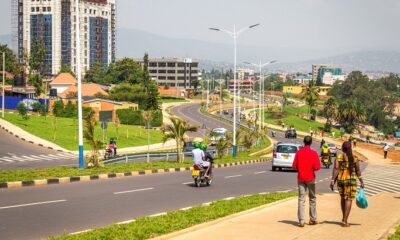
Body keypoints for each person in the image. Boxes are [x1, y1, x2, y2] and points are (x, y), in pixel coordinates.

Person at [330, 140, 364, 227]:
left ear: (342, 148)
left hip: (341, 180)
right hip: (351, 180)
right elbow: (357, 171)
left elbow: (336, 169)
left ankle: (343, 218)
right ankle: (345, 221)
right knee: (348, 199)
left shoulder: (339, 157)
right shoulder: (355, 158)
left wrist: (332, 180)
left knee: (342, 198)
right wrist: (361, 181)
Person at [292, 136, 321, 227]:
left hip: (301, 178)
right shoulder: (314, 153)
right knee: (312, 198)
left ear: (304, 142)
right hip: (310, 178)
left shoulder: (298, 152)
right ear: (311, 143)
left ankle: (301, 220)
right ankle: (312, 219)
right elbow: (317, 167)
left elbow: (294, 166)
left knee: (301, 199)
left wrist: (301, 167)